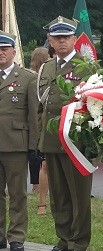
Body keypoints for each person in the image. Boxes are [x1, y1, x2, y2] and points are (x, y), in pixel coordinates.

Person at [36, 17, 92, 251]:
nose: (61, 41)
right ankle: (63, 239)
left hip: (76, 141)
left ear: (74, 39)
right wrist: (40, 138)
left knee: (78, 194)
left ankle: (78, 242)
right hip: (51, 139)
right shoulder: (47, 68)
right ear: (50, 40)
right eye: (57, 38)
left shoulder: (86, 67)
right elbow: (41, 107)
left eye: (66, 37)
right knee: (58, 194)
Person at [0, 33, 39, 251]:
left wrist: (34, 146)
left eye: (4, 49)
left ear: (14, 52)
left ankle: (16, 236)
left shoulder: (27, 78)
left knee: (17, 193)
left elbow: (33, 115)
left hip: (16, 144)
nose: (1, 53)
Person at [28, 46, 51, 215]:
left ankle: (37, 188)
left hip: (39, 124)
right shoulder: (33, 79)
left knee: (40, 161)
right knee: (43, 163)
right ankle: (41, 199)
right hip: (41, 124)